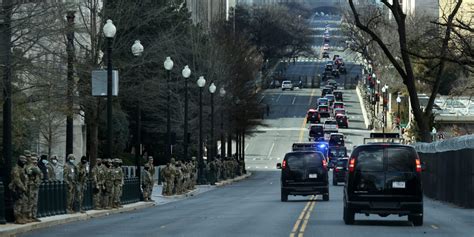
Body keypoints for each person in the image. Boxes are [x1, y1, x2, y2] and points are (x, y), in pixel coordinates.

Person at [9, 155, 29, 224]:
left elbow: (25, 178)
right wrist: (23, 188)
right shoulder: (16, 169)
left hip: (22, 188)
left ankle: (23, 217)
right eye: (22, 161)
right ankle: (17, 218)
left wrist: (25, 187)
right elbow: (17, 180)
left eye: (24, 161)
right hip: (16, 188)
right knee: (18, 203)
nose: (23, 162)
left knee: (24, 202)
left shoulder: (22, 168)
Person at [25, 153, 43, 222]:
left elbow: (41, 175)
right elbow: (29, 172)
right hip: (31, 186)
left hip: (36, 186)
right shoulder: (29, 166)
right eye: (34, 161)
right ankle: (29, 216)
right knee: (30, 201)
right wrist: (34, 170)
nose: (35, 162)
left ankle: (34, 216)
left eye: (36, 161)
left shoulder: (37, 167)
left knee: (35, 202)